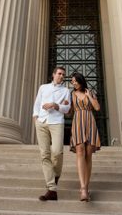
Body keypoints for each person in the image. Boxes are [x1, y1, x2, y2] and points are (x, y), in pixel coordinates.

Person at [33, 65, 71, 201]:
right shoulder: (43, 87)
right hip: (41, 122)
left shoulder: (66, 91)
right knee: (44, 155)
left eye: (63, 75)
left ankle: (54, 177)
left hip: (56, 122)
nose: (61, 76)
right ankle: (51, 188)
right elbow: (37, 104)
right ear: (53, 74)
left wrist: (55, 105)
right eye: (60, 73)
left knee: (57, 152)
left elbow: (67, 109)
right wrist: (35, 119)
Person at [69, 72, 101, 202]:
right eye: (72, 82)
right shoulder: (71, 95)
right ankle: (82, 188)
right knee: (80, 151)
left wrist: (89, 96)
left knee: (88, 154)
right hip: (77, 122)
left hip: (89, 121)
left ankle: (86, 187)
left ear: (81, 81)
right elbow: (68, 111)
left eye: (75, 81)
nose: (73, 83)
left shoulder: (90, 92)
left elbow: (97, 108)